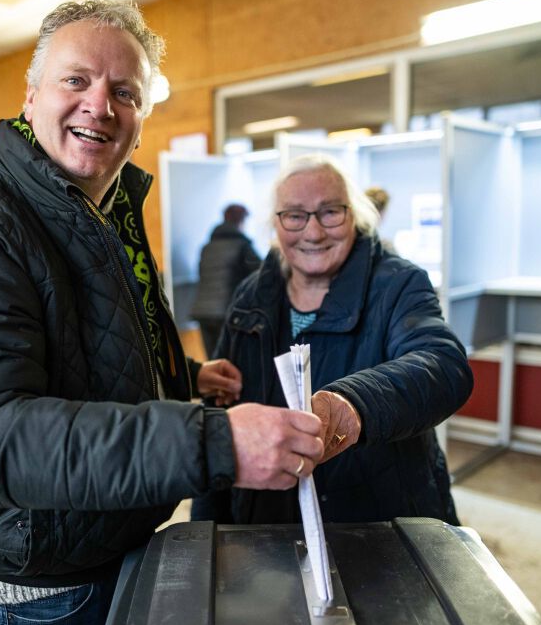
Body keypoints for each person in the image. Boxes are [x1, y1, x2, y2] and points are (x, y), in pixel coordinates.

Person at [0, 0, 326, 625]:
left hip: (112, 528)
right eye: (77, 80)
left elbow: (90, 346)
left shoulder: (109, 209)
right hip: (43, 573)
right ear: (32, 95)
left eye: (124, 91)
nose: (99, 105)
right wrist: (215, 442)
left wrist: (185, 379)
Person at [192, 155, 472, 526]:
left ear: (354, 215)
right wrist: (206, 526)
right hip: (266, 514)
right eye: (294, 215)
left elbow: (443, 364)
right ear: (276, 224)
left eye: (330, 212)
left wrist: (355, 403)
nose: (313, 232)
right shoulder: (252, 294)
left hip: (375, 518)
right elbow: (220, 414)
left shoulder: (397, 283)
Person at [190, 203, 261, 357]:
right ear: (241, 221)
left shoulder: (207, 247)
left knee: (212, 363)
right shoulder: (242, 246)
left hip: (203, 312)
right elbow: (261, 273)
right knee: (232, 362)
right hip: (227, 312)